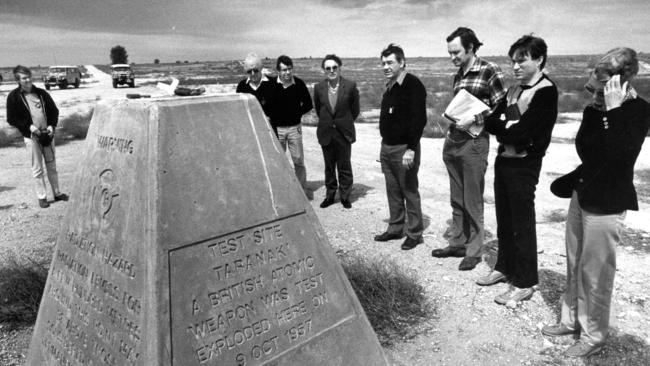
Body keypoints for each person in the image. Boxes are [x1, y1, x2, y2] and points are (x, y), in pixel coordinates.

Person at [542, 48, 650, 358]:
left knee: (597, 272)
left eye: (600, 78)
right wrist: (603, 112)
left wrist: (613, 113)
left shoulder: (638, 110)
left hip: (608, 201)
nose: (593, 83)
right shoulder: (594, 107)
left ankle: (593, 335)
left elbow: (621, 157)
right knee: (575, 262)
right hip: (583, 193)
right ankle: (571, 319)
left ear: (621, 80)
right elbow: (587, 151)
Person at [480, 35, 558, 304]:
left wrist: (507, 128)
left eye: (521, 60)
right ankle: (504, 267)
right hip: (505, 160)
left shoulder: (546, 91)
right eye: (513, 61)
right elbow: (492, 122)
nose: (515, 66)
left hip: (525, 164)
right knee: (504, 218)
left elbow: (525, 133)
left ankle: (525, 281)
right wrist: (508, 128)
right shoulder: (514, 90)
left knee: (522, 223)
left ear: (539, 60)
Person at [432, 27, 507, 271]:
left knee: (472, 199)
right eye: (450, 53)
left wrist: (476, 120)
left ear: (471, 48)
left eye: (456, 52)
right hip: (454, 140)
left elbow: (502, 109)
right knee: (457, 197)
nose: (452, 57)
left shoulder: (489, 70)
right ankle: (458, 243)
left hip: (475, 143)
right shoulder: (458, 75)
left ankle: (474, 251)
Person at [373, 44, 427, 251]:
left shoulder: (412, 84)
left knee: (409, 190)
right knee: (393, 190)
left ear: (402, 62)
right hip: (387, 148)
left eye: (390, 62)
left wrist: (411, 149)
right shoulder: (390, 86)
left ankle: (415, 233)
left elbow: (419, 119)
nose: (385, 66)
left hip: (404, 148)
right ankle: (395, 228)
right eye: (383, 63)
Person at [6, 65, 68, 208]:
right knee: (37, 169)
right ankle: (42, 197)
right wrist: (29, 126)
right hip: (32, 137)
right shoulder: (14, 97)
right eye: (24, 78)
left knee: (52, 165)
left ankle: (57, 193)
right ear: (18, 80)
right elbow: (11, 118)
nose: (27, 80)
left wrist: (52, 126)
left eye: (28, 76)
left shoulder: (41, 93)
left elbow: (54, 111)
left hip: (47, 135)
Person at [313, 54, 360, 209]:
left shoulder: (350, 86)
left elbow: (355, 110)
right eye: (328, 68)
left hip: (343, 133)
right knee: (329, 167)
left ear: (340, 68)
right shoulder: (319, 87)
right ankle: (330, 195)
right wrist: (329, 123)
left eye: (334, 67)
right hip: (326, 132)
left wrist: (344, 122)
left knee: (344, 166)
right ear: (324, 71)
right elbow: (320, 110)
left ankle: (345, 196)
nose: (331, 70)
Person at [270, 55, 313, 195]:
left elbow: (308, 104)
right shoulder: (271, 85)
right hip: (277, 130)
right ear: (278, 71)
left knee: (298, 160)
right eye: (284, 70)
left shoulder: (299, 84)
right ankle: (280, 190)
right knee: (278, 161)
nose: (287, 73)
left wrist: (296, 113)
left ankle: (301, 190)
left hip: (295, 128)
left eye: (289, 69)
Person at [236, 52, 277, 132]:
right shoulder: (242, 86)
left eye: (255, 70)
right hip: (251, 130)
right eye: (249, 71)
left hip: (272, 131)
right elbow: (240, 111)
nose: (252, 73)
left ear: (261, 68)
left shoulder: (273, 83)